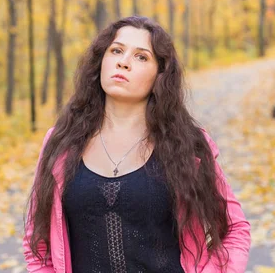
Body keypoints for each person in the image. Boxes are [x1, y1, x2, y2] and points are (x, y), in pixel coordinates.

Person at [23, 16, 251, 273]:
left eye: (141, 57)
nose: (123, 62)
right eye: (116, 50)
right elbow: (38, 246)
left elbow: (234, 229)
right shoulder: (61, 142)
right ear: (101, 61)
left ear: (159, 76)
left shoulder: (188, 145)